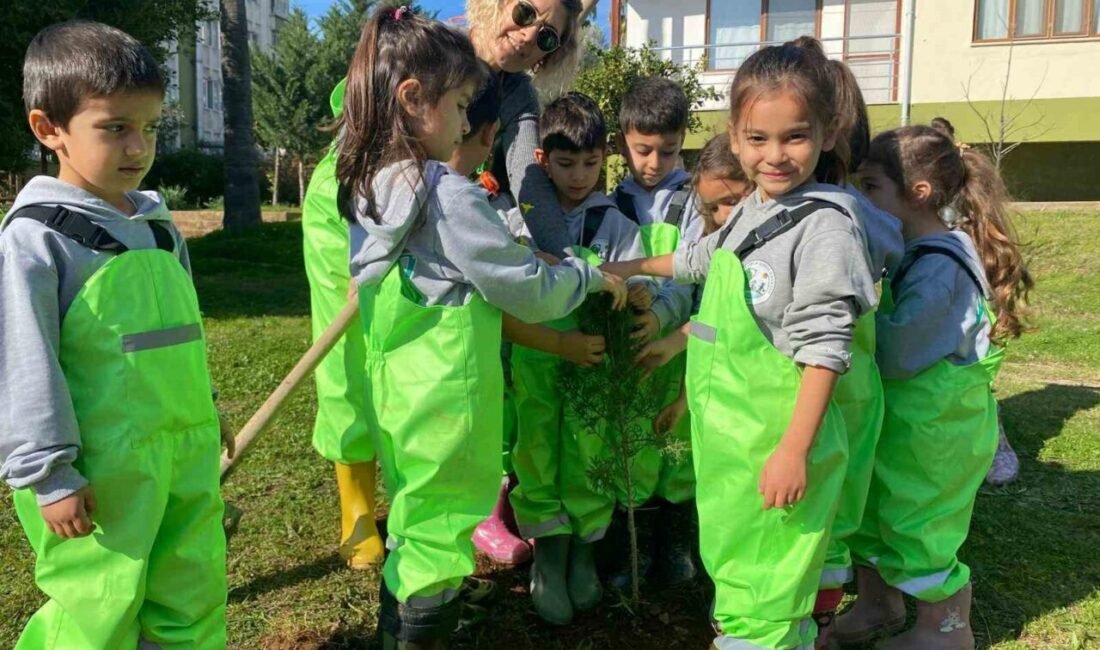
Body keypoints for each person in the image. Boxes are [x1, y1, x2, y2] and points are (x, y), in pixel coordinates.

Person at [334, 10, 625, 648]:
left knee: (417, 513)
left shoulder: (373, 181)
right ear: (414, 101)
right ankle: (422, 634)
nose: (470, 125)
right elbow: (523, 288)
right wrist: (585, 277)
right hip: (451, 398)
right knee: (445, 526)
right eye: (462, 107)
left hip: (403, 393)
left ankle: (400, 628)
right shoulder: (450, 196)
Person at [602, 39, 883, 650]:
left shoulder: (824, 228)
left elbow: (825, 348)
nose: (775, 156)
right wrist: (630, 271)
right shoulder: (755, 208)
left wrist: (794, 450)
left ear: (828, 133)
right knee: (749, 585)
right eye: (759, 139)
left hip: (771, 447)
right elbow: (703, 261)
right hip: (734, 446)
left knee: (765, 599)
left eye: (795, 137)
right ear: (735, 133)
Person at [302, 0, 592, 560]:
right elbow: (362, 108)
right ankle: (358, 510)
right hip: (354, 196)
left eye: (550, 38)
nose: (531, 36)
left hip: (437, 208)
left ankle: (434, 501)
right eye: (527, 12)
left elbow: (528, 183)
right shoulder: (427, 45)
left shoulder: (516, 96)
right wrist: (380, 224)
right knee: (348, 353)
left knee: (423, 357)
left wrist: (561, 256)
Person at [0, 21, 230, 648]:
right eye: (115, 128)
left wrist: (206, 407)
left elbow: (183, 336)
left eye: (150, 127)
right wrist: (48, 473)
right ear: (49, 130)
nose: (139, 147)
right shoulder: (38, 238)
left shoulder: (159, 228)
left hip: (183, 453)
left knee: (192, 590)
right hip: (100, 478)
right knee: (97, 610)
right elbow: (24, 362)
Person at [833, 119, 1032, 650]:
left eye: (871, 187)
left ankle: (945, 630)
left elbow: (900, 353)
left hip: (935, 437)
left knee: (919, 527)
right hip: (908, 428)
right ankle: (879, 604)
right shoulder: (918, 253)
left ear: (918, 194)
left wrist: (850, 323)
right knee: (878, 513)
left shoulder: (939, 267)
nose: (861, 197)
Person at [502, 92, 650, 625]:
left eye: (591, 163)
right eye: (566, 164)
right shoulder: (522, 220)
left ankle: (584, 551)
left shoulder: (615, 222)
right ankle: (549, 554)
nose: (580, 175)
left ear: (605, 157)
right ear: (542, 160)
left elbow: (638, 273)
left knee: (590, 448)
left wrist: (639, 291)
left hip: (596, 359)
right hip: (536, 357)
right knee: (537, 445)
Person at [605, 77, 705, 590]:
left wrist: (661, 319)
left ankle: (677, 544)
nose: (654, 161)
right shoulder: (611, 202)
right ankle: (634, 551)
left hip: (680, 346)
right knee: (633, 444)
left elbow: (691, 273)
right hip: (628, 348)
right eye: (643, 149)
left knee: (678, 444)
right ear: (624, 139)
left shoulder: (694, 200)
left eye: (668, 150)